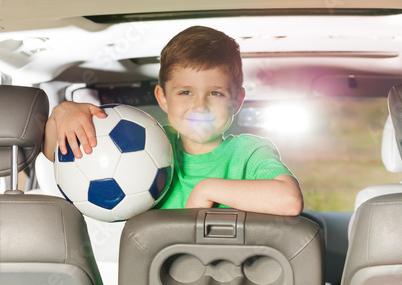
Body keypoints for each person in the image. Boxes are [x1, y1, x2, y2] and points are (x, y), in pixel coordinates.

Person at [43, 26, 303, 216]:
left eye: (216, 93)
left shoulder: (248, 152)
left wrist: (207, 190)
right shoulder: (151, 142)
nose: (200, 106)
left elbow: (289, 201)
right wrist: (63, 112)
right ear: (163, 98)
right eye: (185, 92)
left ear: (237, 100)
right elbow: (56, 152)